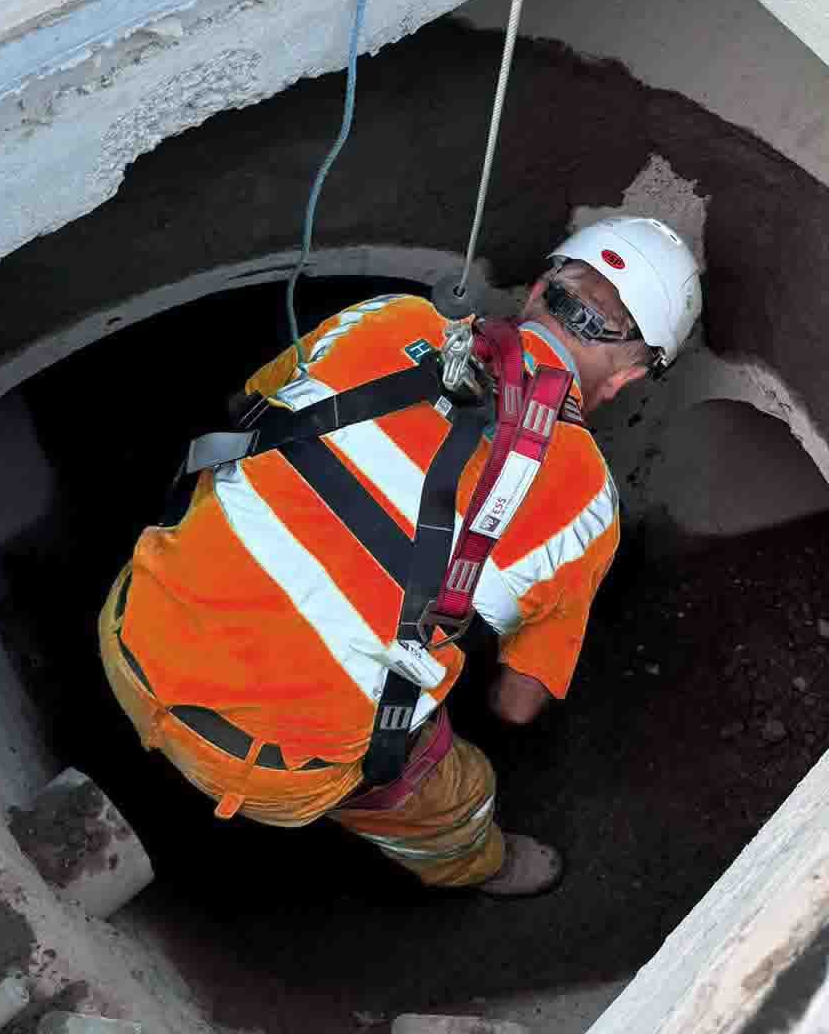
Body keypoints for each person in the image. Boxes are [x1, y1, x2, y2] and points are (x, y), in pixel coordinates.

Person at [97, 217, 702, 897]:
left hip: (129, 628)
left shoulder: (388, 317)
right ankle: (479, 864)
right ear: (622, 380)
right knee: (457, 791)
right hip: (265, 771)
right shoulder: (587, 503)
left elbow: (253, 413)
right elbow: (515, 707)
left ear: (537, 289)